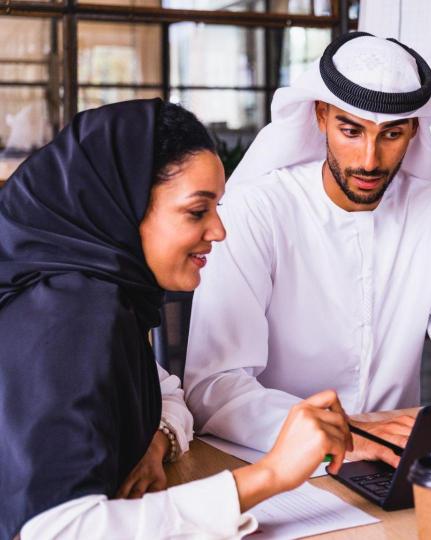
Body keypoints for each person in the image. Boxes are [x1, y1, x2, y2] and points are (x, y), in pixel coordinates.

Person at [0, 99, 352, 539]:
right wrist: (270, 476)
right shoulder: (70, 315)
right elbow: (57, 529)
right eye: (196, 211)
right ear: (122, 208)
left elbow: (165, 390)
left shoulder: (105, 296)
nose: (219, 230)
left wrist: (155, 441)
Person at [184, 31, 431, 466]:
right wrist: (341, 432)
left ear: (413, 132)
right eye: (351, 131)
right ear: (321, 116)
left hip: (393, 455)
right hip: (272, 459)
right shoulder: (257, 210)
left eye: (391, 134)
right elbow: (215, 386)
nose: (370, 159)